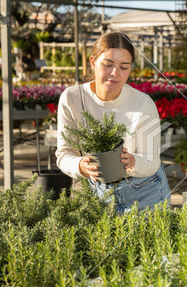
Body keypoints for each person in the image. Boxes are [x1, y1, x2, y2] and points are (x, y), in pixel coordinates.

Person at [56, 31, 171, 213]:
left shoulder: (143, 103)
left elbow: (152, 161)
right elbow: (64, 154)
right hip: (97, 192)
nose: (115, 73)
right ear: (93, 63)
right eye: (108, 65)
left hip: (146, 191)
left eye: (124, 67)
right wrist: (81, 165)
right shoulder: (72, 98)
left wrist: (132, 161)